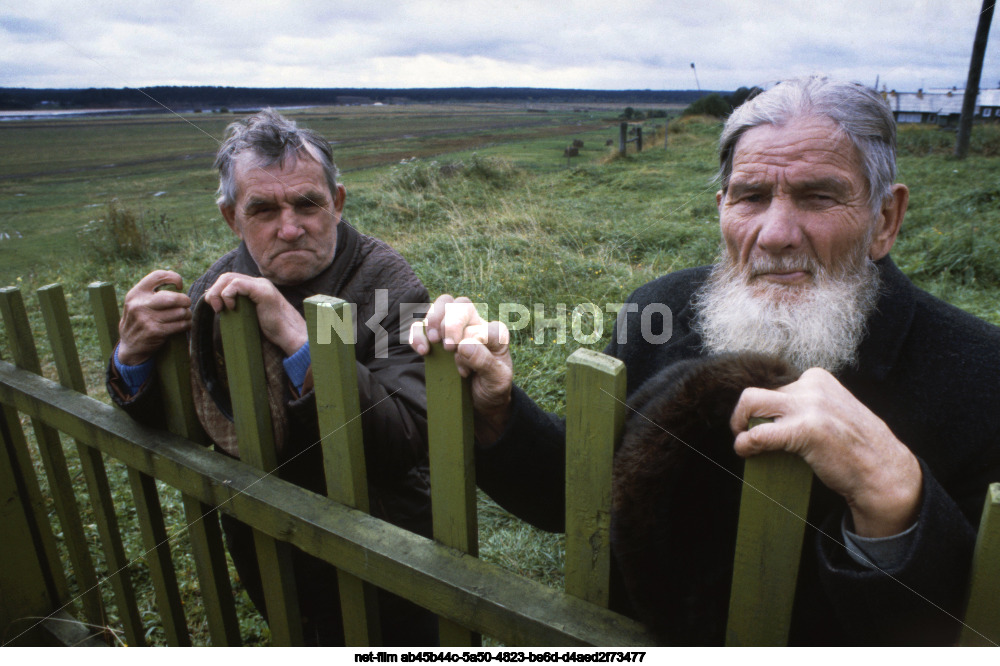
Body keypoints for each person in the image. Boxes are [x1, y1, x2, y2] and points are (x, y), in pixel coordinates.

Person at [409, 77, 1000, 645]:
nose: (774, 233)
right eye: (751, 196)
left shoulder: (980, 376)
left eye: (819, 196)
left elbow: (972, 626)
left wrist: (896, 497)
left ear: (885, 220)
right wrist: (498, 411)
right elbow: (581, 496)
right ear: (723, 207)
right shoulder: (658, 311)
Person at [107, 109, 435, 645]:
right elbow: (187, 418)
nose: (290, 227)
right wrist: (133, 356)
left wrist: (301, 340)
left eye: (308, 203)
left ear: (338, 202)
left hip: (382, 536)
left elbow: (404, 436)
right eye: (262, 209)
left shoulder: (385, 281)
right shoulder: (217, 285)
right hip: (264, 534)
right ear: (231, 218)